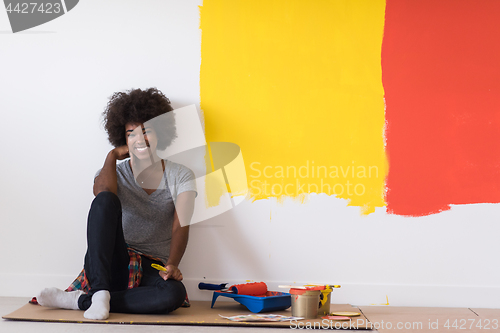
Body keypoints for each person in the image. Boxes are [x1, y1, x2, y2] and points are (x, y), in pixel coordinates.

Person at [36, 88, 196, 320]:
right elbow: (102, 198)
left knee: (174, 294)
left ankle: (81, 300)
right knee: (105, 200)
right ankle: (100, 292)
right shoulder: (112, 171)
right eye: (131, 133)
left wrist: (172, 265)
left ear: (161, 133)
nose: (139, 139)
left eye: (146, 131)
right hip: (111, 262)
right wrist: (111, 156)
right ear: (123, 138)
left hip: (152, 266)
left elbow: (180, 224)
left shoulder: (181, 175)